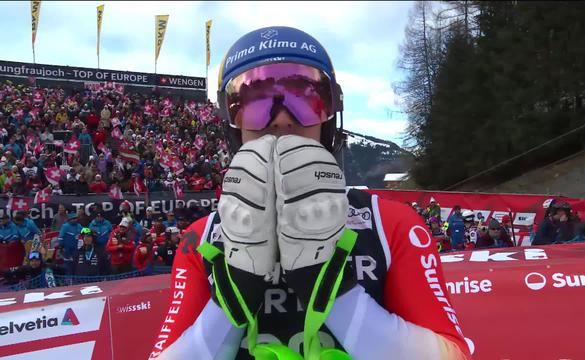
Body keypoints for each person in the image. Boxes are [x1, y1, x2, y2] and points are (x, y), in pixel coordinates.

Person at [149, 27, 470, 359]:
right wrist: (232, 296)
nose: (283, 120)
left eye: (305, 98)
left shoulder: (391, 224)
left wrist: (331, 287)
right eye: (255, 103)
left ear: (330, 118)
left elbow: (454, 354)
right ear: (232, 123)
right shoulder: (199, 239)